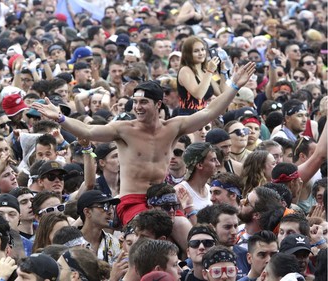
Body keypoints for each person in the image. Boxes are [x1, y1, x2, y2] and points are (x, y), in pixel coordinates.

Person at [32, 64, 256, 227]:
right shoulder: (123, 129)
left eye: (143, 102)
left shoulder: (173, 127)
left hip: (164, 198)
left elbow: (209, 112)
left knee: (189, 236)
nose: (137, 107)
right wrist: (60, 118)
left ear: (158, 104)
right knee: (148, 231)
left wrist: (234, 85)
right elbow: (88, 131)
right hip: (132, 201)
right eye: (135, 102)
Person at [76, 190, 121, 265]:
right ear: (87, 212)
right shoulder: (72, 243)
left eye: (110, 207)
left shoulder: (113, 242)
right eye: (104, 207)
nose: (110, 212)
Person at [177, 36, 219, 115]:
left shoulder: (205, 71)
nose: (201, 53)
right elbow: (199, 95)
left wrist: (223, 72)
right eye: (196, 51)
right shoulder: (185, 70)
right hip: (189, 117)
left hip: (204, 116)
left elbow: (221, 93)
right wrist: (210, 71)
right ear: (188, 54)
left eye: (203, 50)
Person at [174, 142, 218, 211]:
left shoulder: (210, 189)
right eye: (213, 160)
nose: (218, 164)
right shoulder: (180, 191)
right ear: (199, 165)